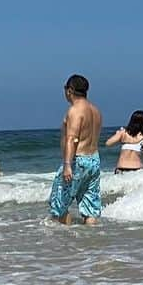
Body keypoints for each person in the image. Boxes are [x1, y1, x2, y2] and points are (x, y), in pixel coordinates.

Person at [49, 73, 102, 225]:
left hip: (77, 161)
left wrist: (67, 165)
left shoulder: (75, 110)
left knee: (60, 205)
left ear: (70, 90)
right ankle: (91, 242)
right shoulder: (95, 111)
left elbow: (71, 138)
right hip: (94, 159)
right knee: (90, 206)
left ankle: (66, 243)